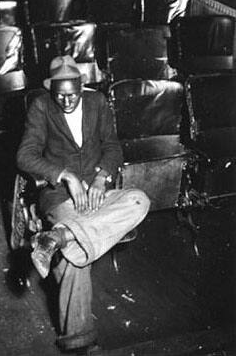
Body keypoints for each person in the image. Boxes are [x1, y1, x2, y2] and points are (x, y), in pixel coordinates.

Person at [16, 55, 150, 355]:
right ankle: (79, 343)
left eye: (72, 94)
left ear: (82, 87)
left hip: (98, 193)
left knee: (140, 200)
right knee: (77, 260)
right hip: (60, 197)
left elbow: (113, 146)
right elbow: (24, 156)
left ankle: (59, 237)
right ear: (51, 90)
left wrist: (102, 178)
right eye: (59, 95)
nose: (66, 101)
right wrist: (65, 176)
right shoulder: (41, 106)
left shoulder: (98, 103)